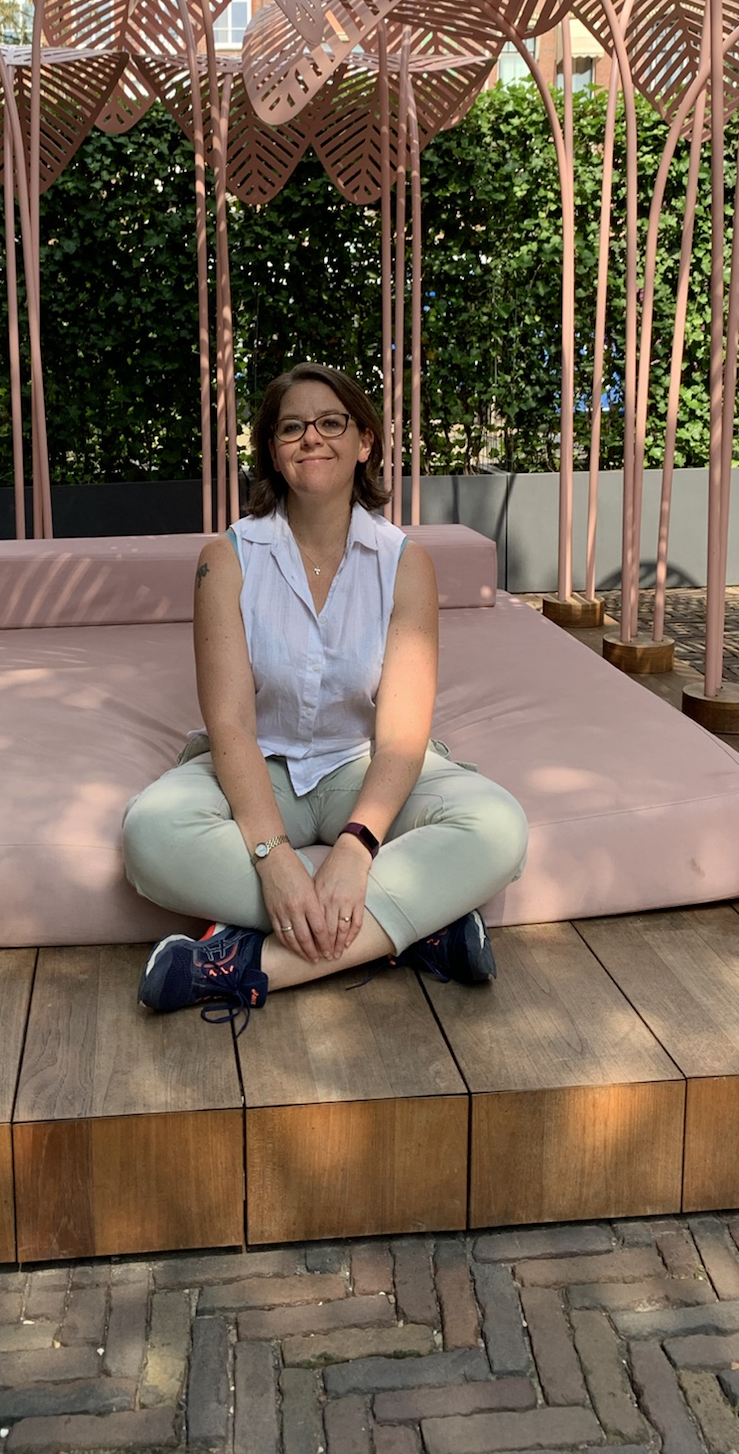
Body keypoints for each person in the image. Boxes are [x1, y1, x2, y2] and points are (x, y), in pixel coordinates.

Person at [122, 362, 528, 1027]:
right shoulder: (226, 559)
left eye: (331, 422)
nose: (311, 437)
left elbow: (401, 736)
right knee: (150, 834)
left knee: (498, 826)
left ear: (365, 441)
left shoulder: (406, 563)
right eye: (292, 428)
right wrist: (274, 859)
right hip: (258, 765)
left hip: (361, 764)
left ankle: (243, 964)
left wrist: (356, 849)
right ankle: (419, 928)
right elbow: (230, 726)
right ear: (273, 451)